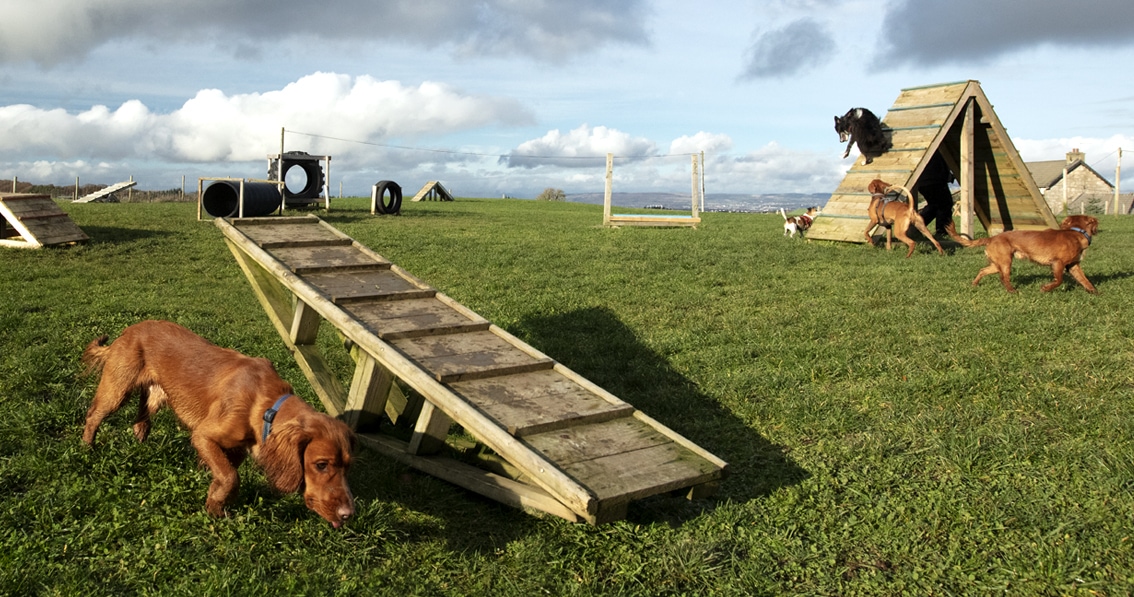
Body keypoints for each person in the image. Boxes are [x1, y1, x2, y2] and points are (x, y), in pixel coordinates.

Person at [916, 152, 955, 236]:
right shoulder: (939, 149)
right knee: (945, 204)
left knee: (934, 206)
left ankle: (915, 226)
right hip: (935, 180)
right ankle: (943, 231)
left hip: (923, 181)